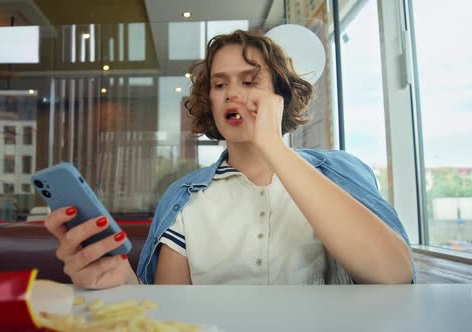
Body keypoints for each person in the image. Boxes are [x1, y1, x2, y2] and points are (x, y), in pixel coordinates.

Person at [44, 30, 415, 289]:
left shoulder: (337, 172)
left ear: (280, 95)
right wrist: (119, 281)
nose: (232, 94)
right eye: (220, 85)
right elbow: (171, 312)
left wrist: (271, 143)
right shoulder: (185, 197)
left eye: (250, 81)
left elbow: (395, 273)